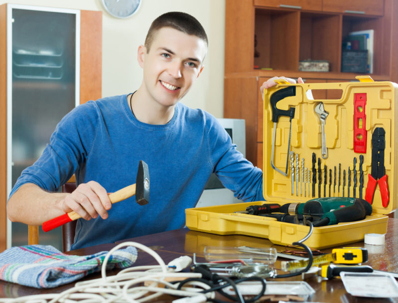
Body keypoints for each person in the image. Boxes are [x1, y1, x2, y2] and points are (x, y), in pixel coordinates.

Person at [8, 12, 290, 250]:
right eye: (166, 55)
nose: (176, 72)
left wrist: (285, 125)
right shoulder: (90, 120)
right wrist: (66, 201)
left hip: (167, 272)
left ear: (199, 72)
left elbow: (263, 192)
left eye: (190, 63)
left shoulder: (206, 131)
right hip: (96, 276)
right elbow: (18, 202)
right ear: (143, 55)